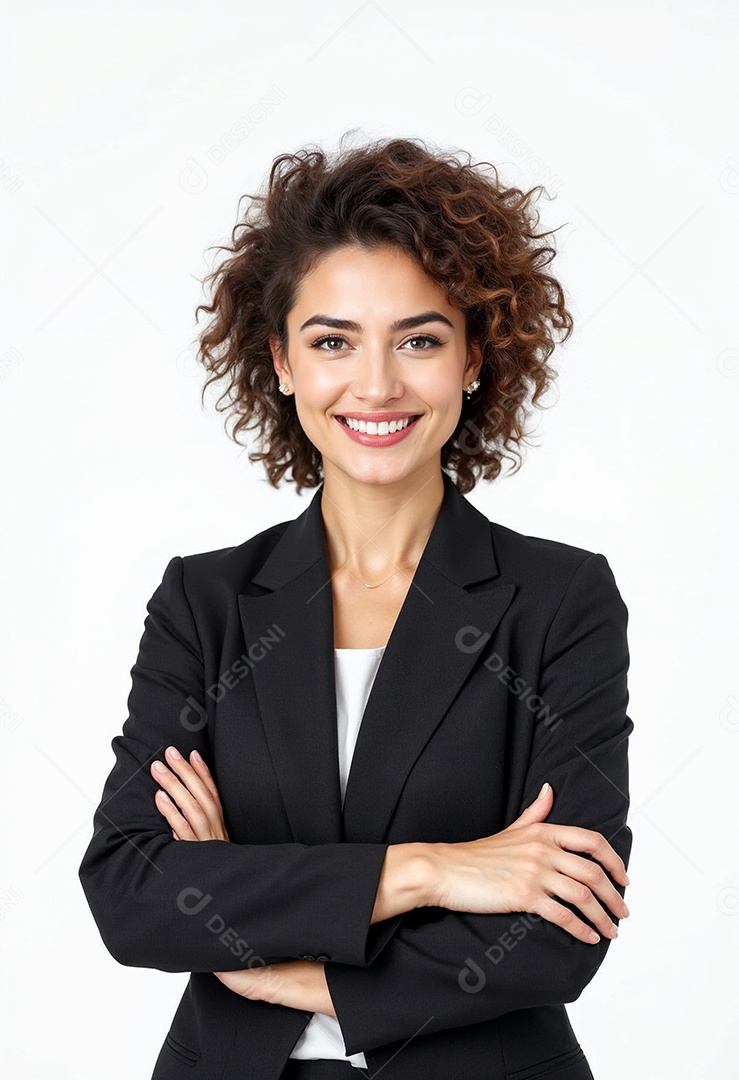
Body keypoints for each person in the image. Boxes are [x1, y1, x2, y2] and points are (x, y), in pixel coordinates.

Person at [79, 133, 633, 1080]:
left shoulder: (558, 599)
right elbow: (133, 891)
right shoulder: (204, 604)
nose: (375, 384)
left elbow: (561, 928)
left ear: (473, 358)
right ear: (281, 361)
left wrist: (270, 959)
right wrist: (430, 869)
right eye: (332, 341)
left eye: (419, 339)